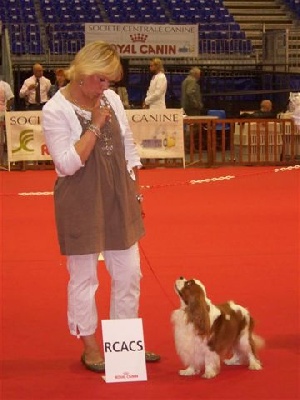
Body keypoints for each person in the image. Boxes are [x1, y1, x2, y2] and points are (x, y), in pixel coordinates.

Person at [42, 41, 160, 373]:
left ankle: (123, 346)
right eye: (102, 80)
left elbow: (127, 144)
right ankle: (90, 346)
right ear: (83, 75)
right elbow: (67, 164)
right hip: (79, 199)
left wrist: (135, 190)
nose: (107, 87)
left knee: (129, 273)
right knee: (84, 278)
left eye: (110, 81)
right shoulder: (55, 110)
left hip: (118, 194)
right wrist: (94, 124)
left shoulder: (109, 99)